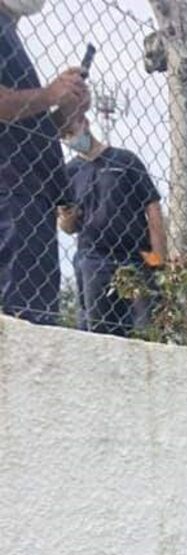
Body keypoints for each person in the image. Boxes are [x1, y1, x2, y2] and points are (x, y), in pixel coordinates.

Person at [0, 0, 89, 324]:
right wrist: (51, 93)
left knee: (33, 324)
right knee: (26, 326)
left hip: (30, 196)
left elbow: (28, 128)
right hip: (12, 193)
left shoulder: (10, 35)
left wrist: (65, 108)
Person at [57, 115, 166, 336]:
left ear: (84, 123)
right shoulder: (69, 172)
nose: (70, 139)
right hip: (94, 258)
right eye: (64, 136)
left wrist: (159, 261)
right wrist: (69, 217)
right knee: (100, 332)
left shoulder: (125, 160)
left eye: (71, 131)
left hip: (137, 257)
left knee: (146, 330)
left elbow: (153, 210)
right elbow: (67, 227)